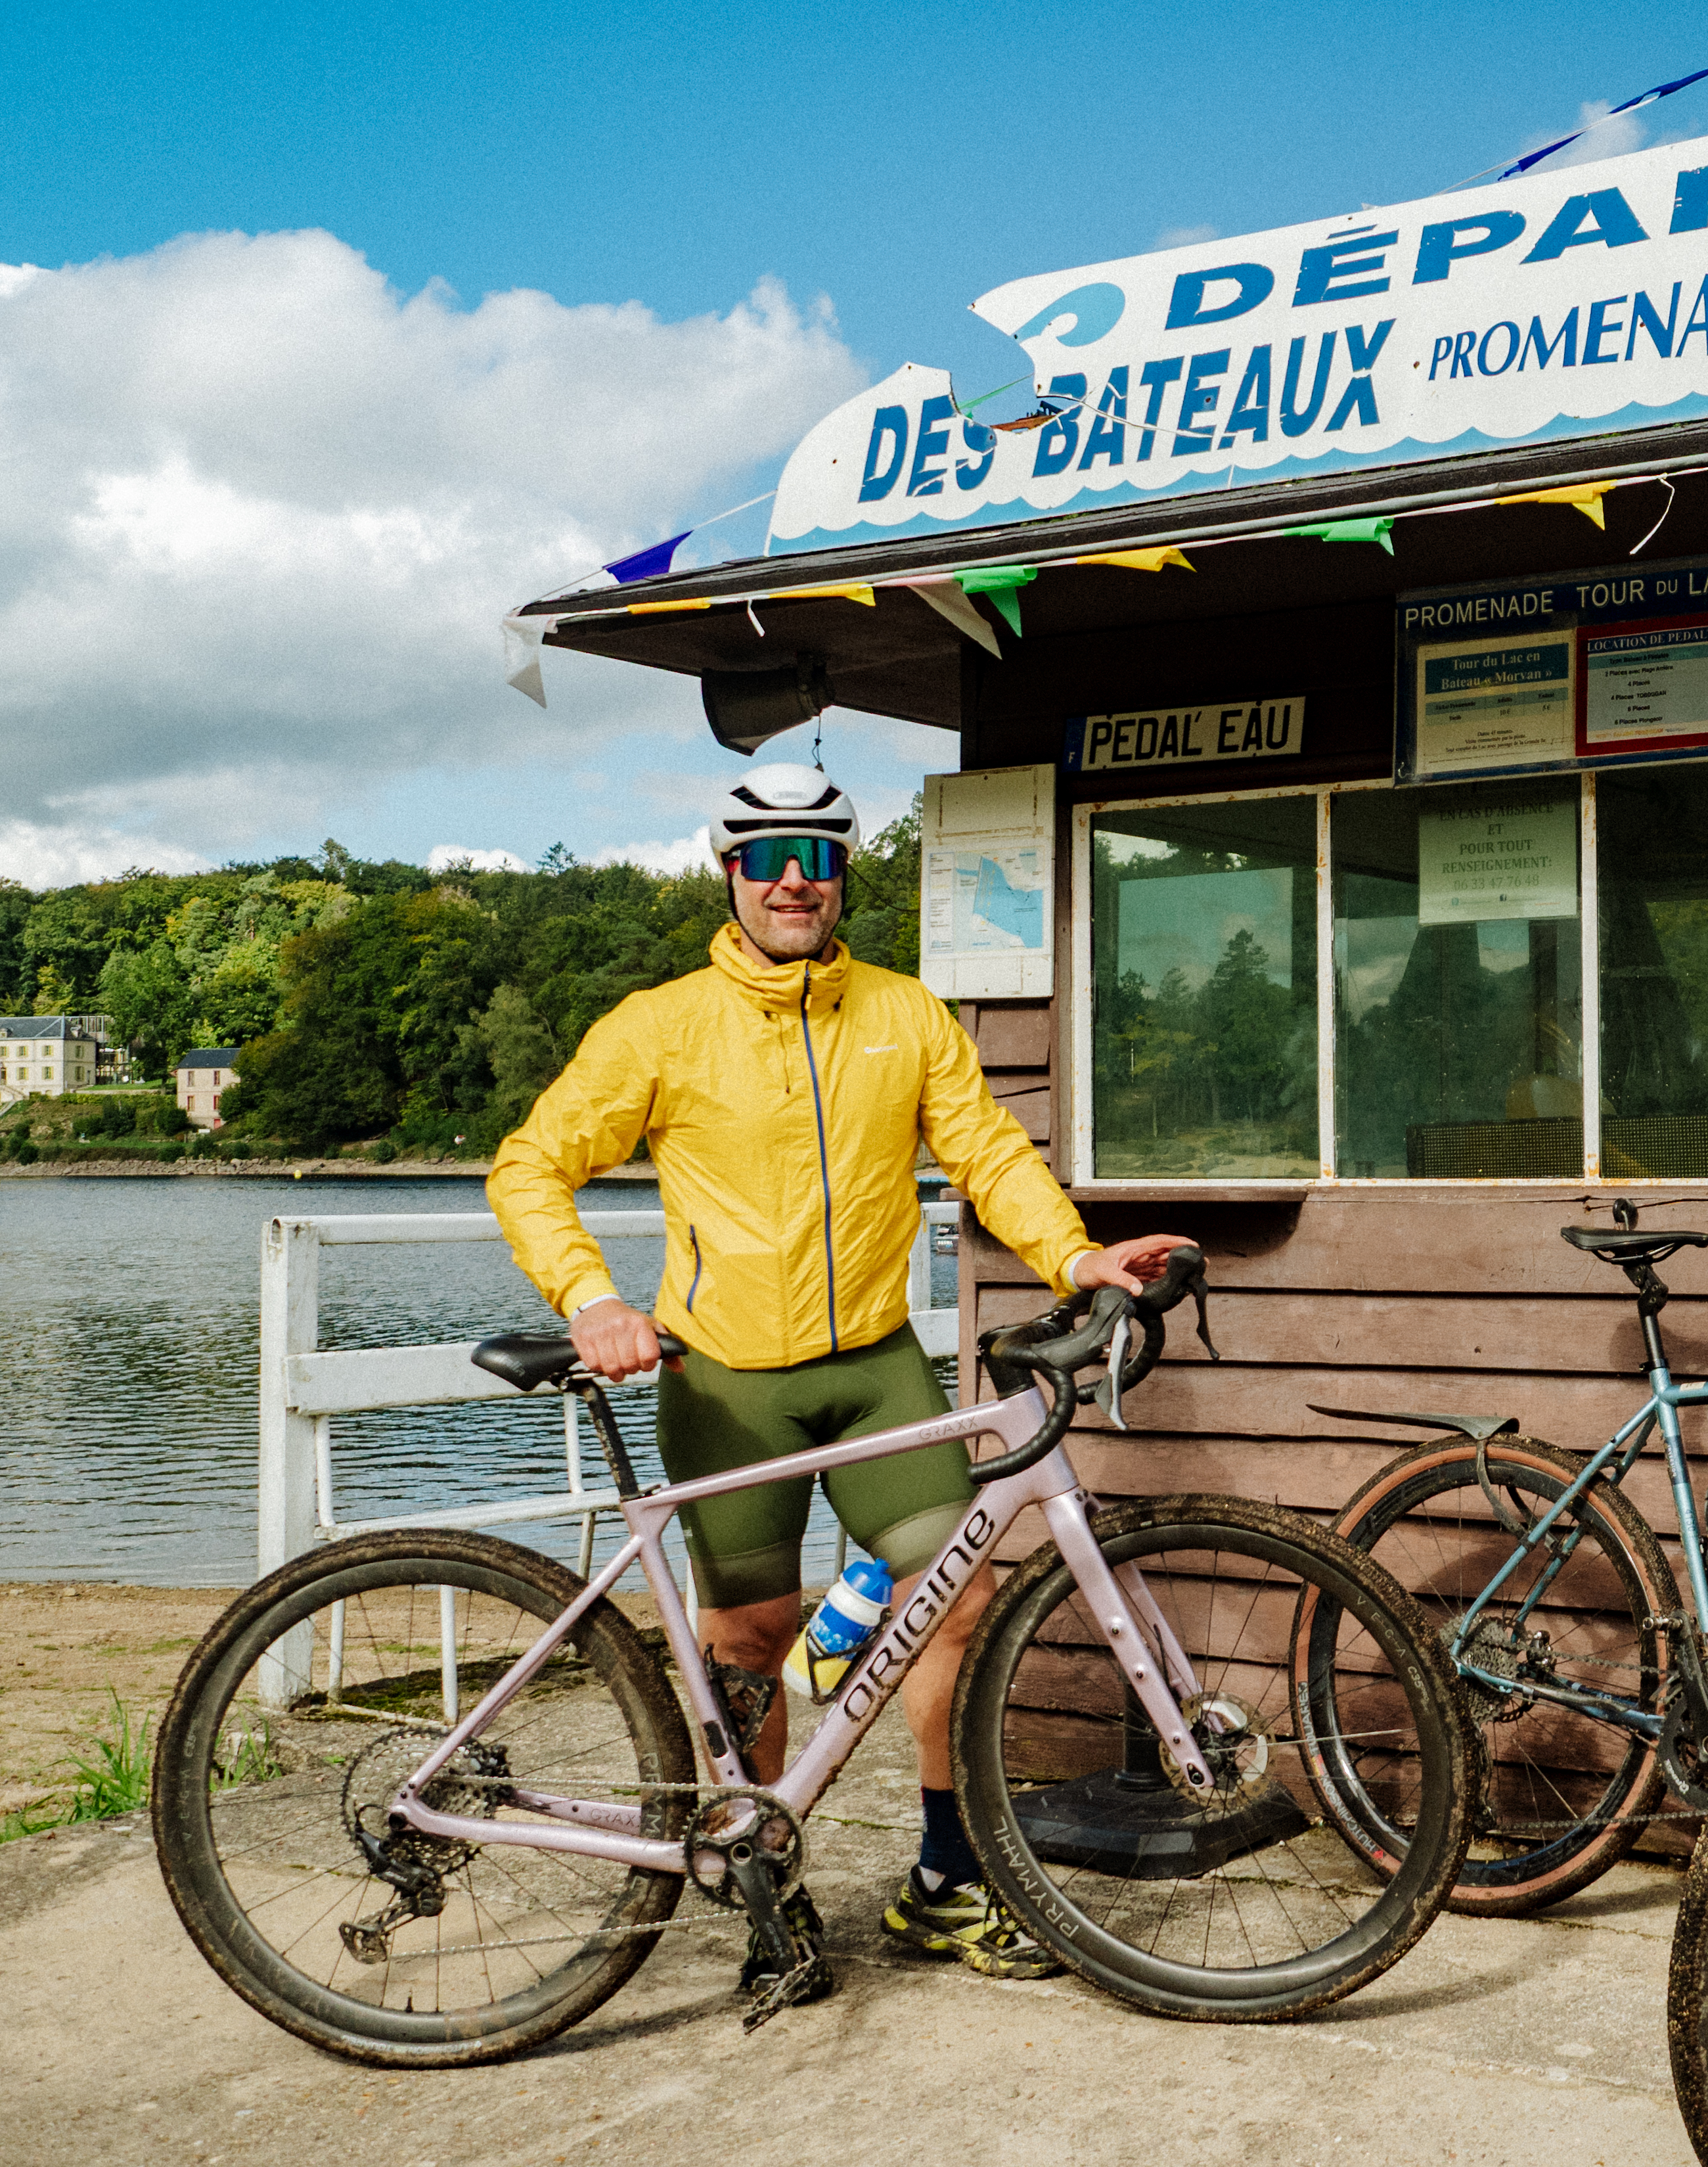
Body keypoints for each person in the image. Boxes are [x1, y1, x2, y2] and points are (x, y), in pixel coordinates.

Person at [489, 762, 1190, 1997]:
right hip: (730, 1383)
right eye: (767, 858)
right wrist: (592, 1299)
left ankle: (948, 1885)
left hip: (873, 1371)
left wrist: (1074, 1251)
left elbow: (988, 1154)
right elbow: (531, 1166)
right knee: (749, 1645)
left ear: (844, 868)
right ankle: (773, 1889)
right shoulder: (660, 1025)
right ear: (731, 873)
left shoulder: (906, 1014)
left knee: (954, 1607)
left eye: (817, 853)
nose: (795, 878)